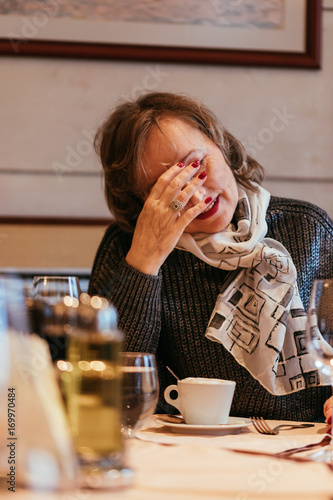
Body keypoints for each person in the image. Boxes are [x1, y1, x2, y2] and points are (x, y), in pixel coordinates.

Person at [88, 91, 333, 422]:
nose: (197, 197)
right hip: (182, 452)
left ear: (224, 148)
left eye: (197, 166)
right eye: (170, 187)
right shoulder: (124, 249)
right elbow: (111, 395)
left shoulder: (306, 227)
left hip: (302, 445)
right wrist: (146, 261)